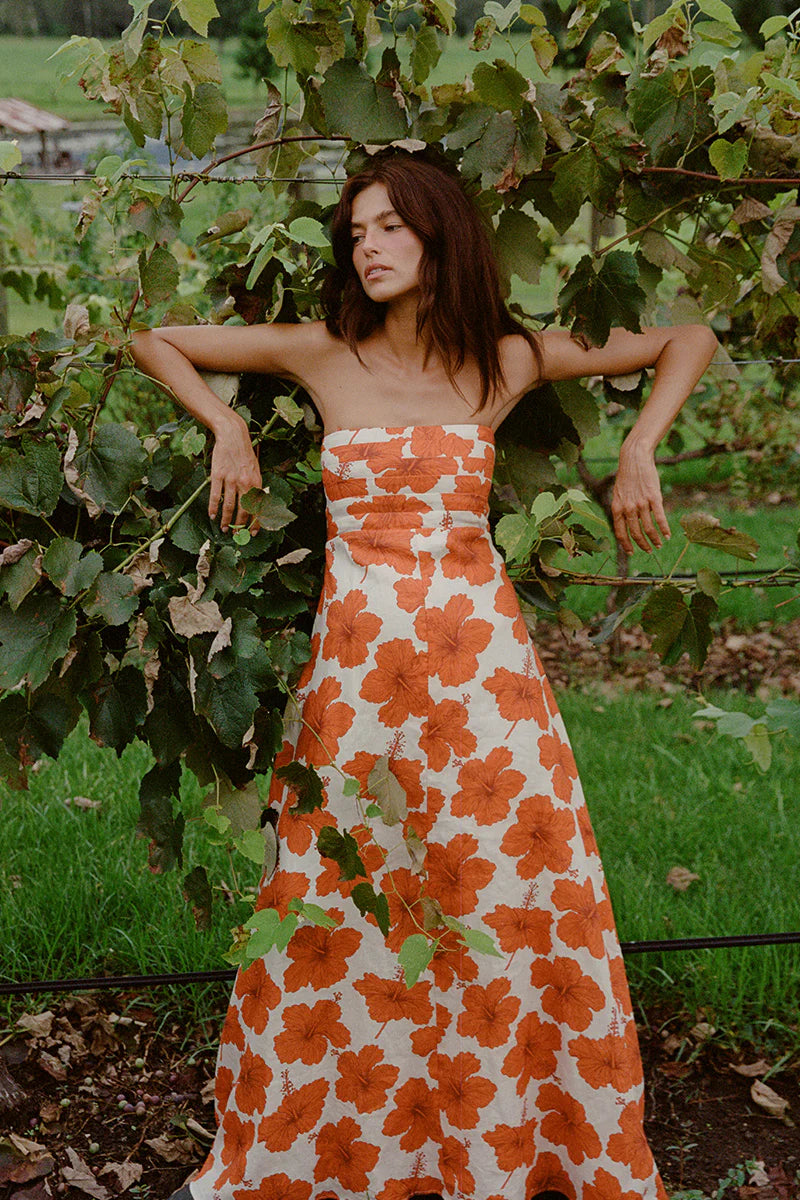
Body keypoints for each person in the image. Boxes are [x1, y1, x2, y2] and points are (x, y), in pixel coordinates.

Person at [132, 150, 717, 1200]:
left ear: (440, 235)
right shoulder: (320, 352)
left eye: (389, 226)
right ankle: (356, 1145)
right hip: (358, 678)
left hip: (482, 680)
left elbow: (687, 335)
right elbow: (155, 338)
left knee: (492, 892)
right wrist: (223, 422)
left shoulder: (507, 362)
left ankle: (502, 1144)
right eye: (355, 231)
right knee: (346, 898)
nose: (367, 246)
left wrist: (639, 448)